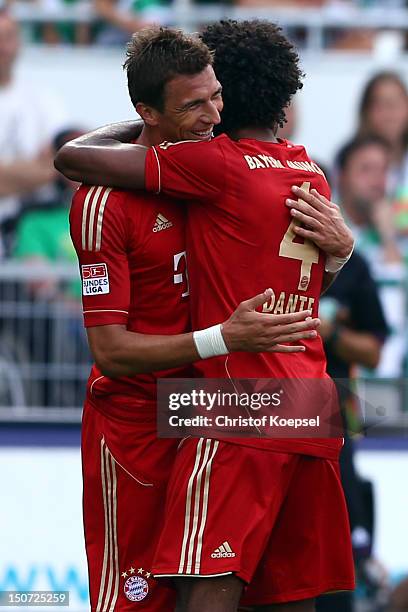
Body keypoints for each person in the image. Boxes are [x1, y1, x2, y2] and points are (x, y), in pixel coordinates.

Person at [56, 20, 355, 612]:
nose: (210, 112)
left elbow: (72, 157)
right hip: (305, 407)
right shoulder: (308, 171)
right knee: (279, 598)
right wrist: (341, 254)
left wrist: (222, 339)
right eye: (195, 102)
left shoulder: (216, 168)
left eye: (215, 96)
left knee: (196, 597)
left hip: (228, 408)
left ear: (228, 93)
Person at [0, 10, 67, 256]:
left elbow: (58, 168)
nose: (3, 47)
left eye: (7, 37)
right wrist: (34, 170)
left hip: (31, 232)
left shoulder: (42, 100)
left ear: (18, 41)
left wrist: (6, 174)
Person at [357, 72, 408, 243]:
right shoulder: (351, 160)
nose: (389, 114)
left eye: (395, 104)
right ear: (366, 112)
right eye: (381, 105)